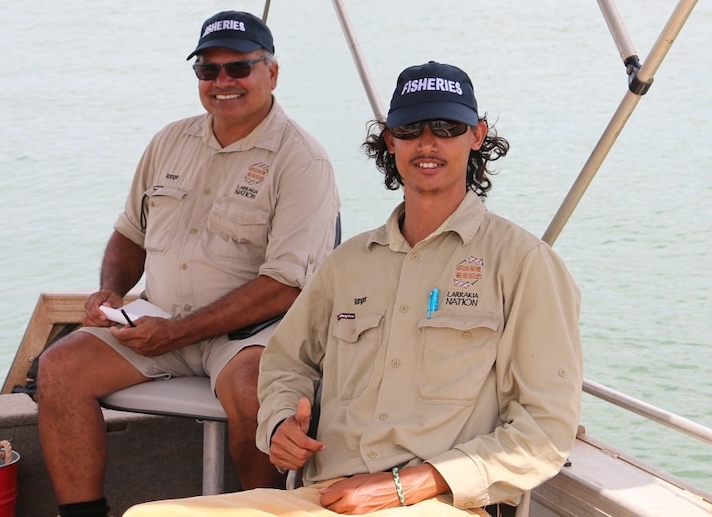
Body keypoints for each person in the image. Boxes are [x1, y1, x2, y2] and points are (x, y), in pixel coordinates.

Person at [121, 61, 582, 517]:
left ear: (476, 135)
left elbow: (545, 430)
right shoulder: (348, 264)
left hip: (439, 502)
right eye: (409, 128)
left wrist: (403, 487)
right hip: (324, 497)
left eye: (446, 126)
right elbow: (287, 361)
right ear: (390, 141)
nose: (427, 142)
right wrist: (281, 422)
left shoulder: (524, 264)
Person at [37, 10, 340, 517]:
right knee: (58, 368)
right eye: (208, 70)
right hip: (161, 321)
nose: (223, 82)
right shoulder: (169, 141)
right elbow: (129, 234)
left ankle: (268, 513)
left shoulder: (303, 160)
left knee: (253, 391)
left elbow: (286, 287)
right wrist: (111, 291)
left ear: (272, 73)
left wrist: (175, 332)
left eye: (239, 68)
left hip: (256, 334)